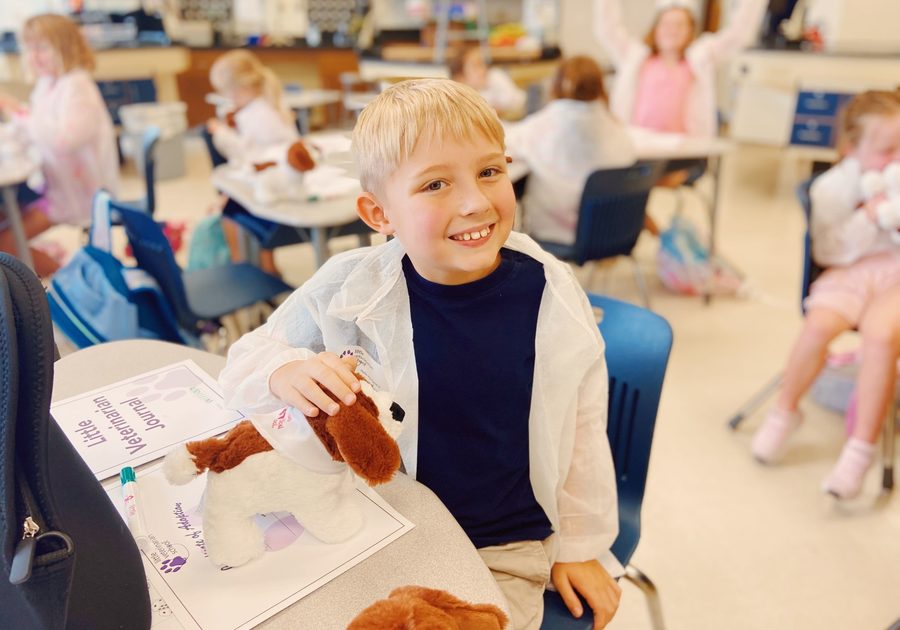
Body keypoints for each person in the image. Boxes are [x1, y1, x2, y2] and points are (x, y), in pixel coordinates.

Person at [219, 78, 622, 629]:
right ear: (378, 213)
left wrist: (579, 544)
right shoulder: (351, 284)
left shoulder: (549, 289)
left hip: (499, 547)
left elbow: (582, 424)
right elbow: (246, 355)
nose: (476, 202)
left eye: (489, 171)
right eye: (436, 184)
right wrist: (283, 370)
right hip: (378, 526)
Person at [751, 90, 900, 500]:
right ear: (853, 148)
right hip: (849, 268)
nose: (896, 158)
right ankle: (784, 412)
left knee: (882, 336)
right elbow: (828, 251)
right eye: (887, 149)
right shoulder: (833, 189)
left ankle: (860, 450)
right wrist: (870, 217)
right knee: (818, 326)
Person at [0, 13, 119, 277]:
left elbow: (63, 141)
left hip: (78, 195)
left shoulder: (77, 86)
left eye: (42, 48)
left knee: (5, 244)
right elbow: (31, 131)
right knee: (3, 218)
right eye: (29, 49)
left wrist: (17, 111)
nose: (33, 56)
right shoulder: (47, 85)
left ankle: (67, 281)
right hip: (54, 187)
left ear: (66, 47)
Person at [505, 55, 636, 245]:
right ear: (600, 86)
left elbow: (510, 138)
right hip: (611, 230)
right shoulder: (612, 125)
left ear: (557, 84)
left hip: (557, 230)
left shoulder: (549, 122)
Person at [593, 0, 766, 137]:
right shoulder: (634, 56)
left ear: (691, 30)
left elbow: (739, 35)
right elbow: (607, 29)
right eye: (666, 24)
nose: (672, 31)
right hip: (637, 143)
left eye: (680, 25)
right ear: (656, 28)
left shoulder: (700, 59)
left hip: (681, 151)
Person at [206, 49, 299, 276]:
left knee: (228, 209)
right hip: (276, 182)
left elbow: (250, 158)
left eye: (227, 93)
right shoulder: (265, 106)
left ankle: (248, 268)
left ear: (239, 89)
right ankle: (264, 265)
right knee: (228, 202)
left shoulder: (259, 115)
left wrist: (221, 133)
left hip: (276, 190)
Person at [449, 44, 527, 120]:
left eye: (483, 63)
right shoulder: (463, 102)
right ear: (460, 78)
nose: (484, 69)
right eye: (477, 65)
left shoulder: (494, 77)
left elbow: (515, 99)